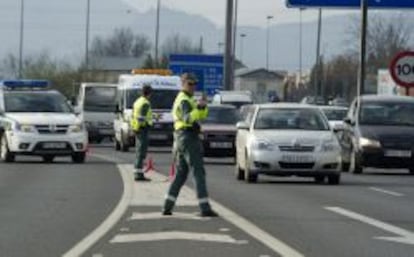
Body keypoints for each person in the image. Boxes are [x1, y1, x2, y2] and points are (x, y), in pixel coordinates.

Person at [162, 73, 218, 217]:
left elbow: (201, 116)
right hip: (187, 136)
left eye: (194, 84)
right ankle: (204, 207)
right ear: (183, 84)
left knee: (181, 174)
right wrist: (198, 108)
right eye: (190, 84)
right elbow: (188, 118)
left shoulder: (188, 99)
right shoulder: (184, 100)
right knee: (198, 171)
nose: (193, 87)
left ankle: (167, 205)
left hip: (184, 137)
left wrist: (202, 107)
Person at [131, 84, 153, 181]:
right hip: (142, 129)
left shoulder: (137, 101)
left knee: (138, 151)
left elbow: (134, 116)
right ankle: (138, 175)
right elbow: (141, 117)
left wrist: (135, 127)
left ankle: (137, 172)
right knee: (141, 152)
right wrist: (144, 124)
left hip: (137, 128)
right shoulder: (145, 103)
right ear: (149, 93)